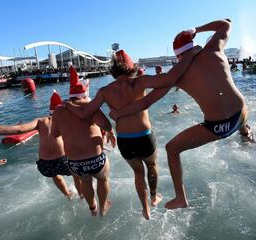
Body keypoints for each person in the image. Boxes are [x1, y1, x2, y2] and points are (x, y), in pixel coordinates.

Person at [110, 19, 255, 210]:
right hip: (242, 112)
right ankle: (247, 135)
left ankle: (180, 197)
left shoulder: (178, 74)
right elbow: (227, 23)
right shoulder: (213, 48)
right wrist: (197, 29)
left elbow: (146, 102)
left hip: (220, 125)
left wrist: (120, 113)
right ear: (193, 44)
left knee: (172, 149)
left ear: (178, 56)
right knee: (237, 110)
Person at [65, 50, 198, 219]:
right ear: (131, 67)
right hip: (144, 136)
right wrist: (189, 57)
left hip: (125, 140)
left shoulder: (105, 91)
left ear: (114, 70)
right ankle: (153, 197)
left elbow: (85, 114)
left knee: (138, 173)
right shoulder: (139, 82)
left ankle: (145, 209)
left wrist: (69, 105)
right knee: (151, 166)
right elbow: (170, 78)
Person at [0, 90, 83, 200]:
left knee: (55, 175)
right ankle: (81, 194)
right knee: (76, 174)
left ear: (49, 111)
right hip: (63, 161)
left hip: (45, 165)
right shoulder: (66, 120)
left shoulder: (40, 121)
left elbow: (19, 129)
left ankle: (67, 195)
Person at [51, 66, 115, 216]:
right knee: (102, 179)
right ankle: (103, 206)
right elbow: (106, 125)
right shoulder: (89, 106)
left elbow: (55, 134)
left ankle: (92, 208)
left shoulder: (59, 111)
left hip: (75, 163)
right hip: (95, 159)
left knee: (85, 182)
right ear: (84, 95)